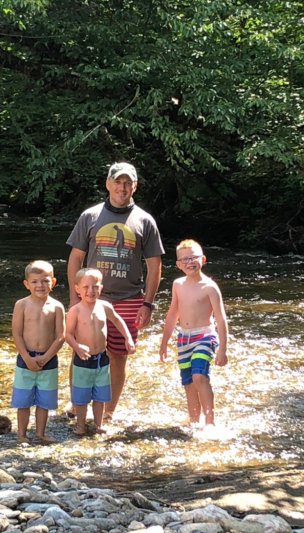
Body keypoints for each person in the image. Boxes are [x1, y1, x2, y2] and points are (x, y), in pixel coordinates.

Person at [66, 161, 164, 420]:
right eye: (117, 182)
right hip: (90, 298)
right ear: (108, 183)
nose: (122, 187)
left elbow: (155, 267)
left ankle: (108, 412)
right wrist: (74, 298)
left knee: (119, 357)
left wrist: (148, 304)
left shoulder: (145, 220)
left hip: (130, 299)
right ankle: (78, 406)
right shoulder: (90, 216)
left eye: (127, 182)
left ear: (135, 186)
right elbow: (75, 259)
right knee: (82, 353)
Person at [159, 239, 228, 428]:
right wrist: (164, 342)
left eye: (194, 257)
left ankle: (210, 421)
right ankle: (193, 419)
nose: (190, 262)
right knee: (188, 382)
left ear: (203, 259)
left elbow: (221, 319)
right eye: (185, 259)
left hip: (205, 335)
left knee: (199, 376)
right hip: (184, 337)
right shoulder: (178, 284)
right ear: (178, 265)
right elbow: (173, 313)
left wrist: (222, 349)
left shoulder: (209, 287)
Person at [65, 268, 135, 435]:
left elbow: (118, 321)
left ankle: (98, 424)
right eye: (86, 287)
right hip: (83, 359)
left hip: (102, 358)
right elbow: (67, 334)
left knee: (100, 395)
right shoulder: (75, 310)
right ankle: (80, 425)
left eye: (95, 287)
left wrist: (128, 338)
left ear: (101, 288)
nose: (91, 291)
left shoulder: (105, 306)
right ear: (77, 289)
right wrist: (77, 346)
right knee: (81, 397)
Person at [11, 260, 65, 445]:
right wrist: (26, 357)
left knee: (44, 401)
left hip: (48, 360)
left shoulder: (57, 307)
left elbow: (61, 336)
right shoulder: (22, 305)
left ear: (53, 282)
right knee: (23, 401)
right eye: (34, 281)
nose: (40, 285)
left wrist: (46, 357)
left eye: (45, 281)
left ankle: (40, 434)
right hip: (25, 359)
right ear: (26, 284)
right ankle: (21, 435)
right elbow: (16, 333)